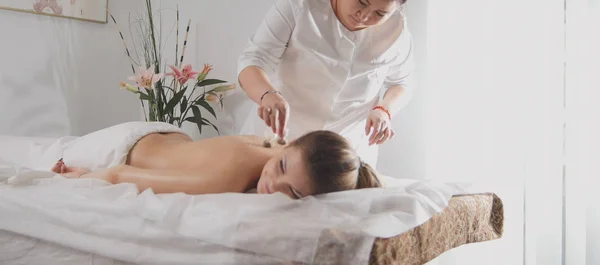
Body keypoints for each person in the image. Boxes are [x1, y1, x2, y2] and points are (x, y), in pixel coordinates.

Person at [236, 0, 424, 166]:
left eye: (379, 13)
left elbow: (403, 82)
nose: (364, 16)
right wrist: (266, 94)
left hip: (345, 155)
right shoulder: (302, 0)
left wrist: (384, 110)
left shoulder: (397, 30)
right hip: (279, 141)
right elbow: (253, 58)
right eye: (361, 0)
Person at [51, 123, 381, 199]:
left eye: (292, 193)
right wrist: (84, 176)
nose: (272, 186)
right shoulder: (229, 178)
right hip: (123, 145)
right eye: (281, 168)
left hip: (167, 136)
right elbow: (119, 175)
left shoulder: (273, 147)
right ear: (291, 143)